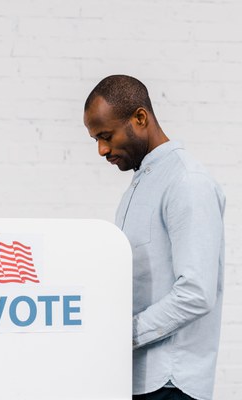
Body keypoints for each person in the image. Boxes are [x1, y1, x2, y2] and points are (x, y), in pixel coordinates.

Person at [83, 75, 225, 400]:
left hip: (171, 383)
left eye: (106, 136)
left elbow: (196, 293)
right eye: (95, 140)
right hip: (138, 378)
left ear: (140, 118)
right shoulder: (143, 182)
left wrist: (120, 335)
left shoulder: (187, 182)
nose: (102, 149)